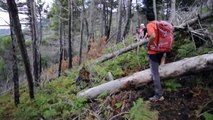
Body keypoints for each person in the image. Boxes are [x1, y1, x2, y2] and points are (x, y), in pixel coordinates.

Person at [146, 12, 166, 102]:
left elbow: (153, 35)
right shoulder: (158, 23)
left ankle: (158, 95)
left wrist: (149, 44)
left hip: (153, 51)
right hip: (161, 50)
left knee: (155, 74)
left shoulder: (150, 25)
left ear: (147, 19)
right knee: (157, 71)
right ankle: (160, 87)